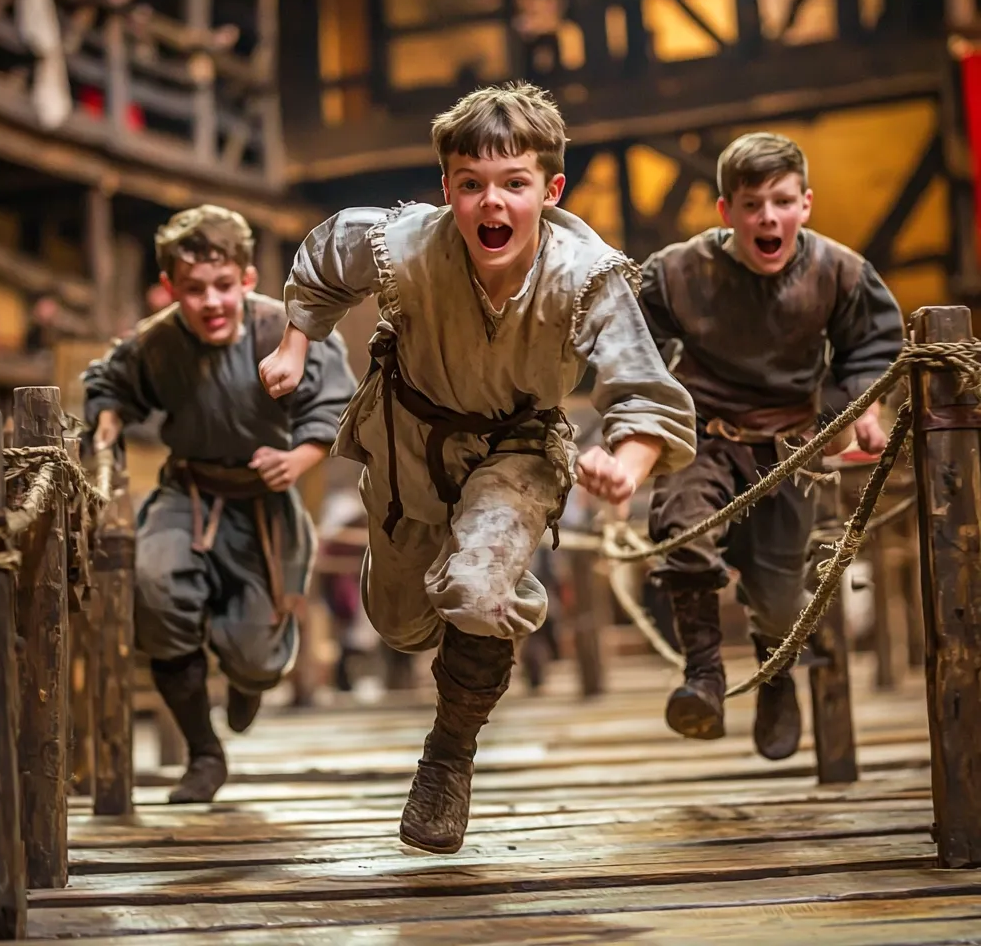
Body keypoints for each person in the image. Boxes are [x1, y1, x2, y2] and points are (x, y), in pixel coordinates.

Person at [258, 82, 696, 854]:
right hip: (407, 443)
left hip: (518, 450)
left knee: (478, 586)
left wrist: (627, 463)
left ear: (550, 189)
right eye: (471, 185)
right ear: (447, 189)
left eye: (514, 184)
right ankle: (434, 622)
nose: (491, 204)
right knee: (399, 625)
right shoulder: (405, 245)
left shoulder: (587, 274)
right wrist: (295, 346)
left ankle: (446, 763)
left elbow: (646, 392)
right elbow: (326, 258)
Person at [638, 131, 904, 760]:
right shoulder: (679, 271)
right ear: (727, 211)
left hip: (789, 449)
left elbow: (871, 344)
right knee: (682, 530)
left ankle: (776, 674)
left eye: (782, 202)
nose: (768, 218)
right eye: (752, 204)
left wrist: (865, 406)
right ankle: (702, 676)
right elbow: (631, 340)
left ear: (804, 205)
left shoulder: (838, 271)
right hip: (704, 434)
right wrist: (639, 421)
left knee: (782, 597)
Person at [82, 204, 357, 804]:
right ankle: (203, 754)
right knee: (154, 589)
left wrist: (298, 461)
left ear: (248, 280)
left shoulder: (283, 332)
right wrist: (106, 421)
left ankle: (247, 678)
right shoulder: (157, 342)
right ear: (170, 288)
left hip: (266, 503)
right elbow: (110, 382)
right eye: (194, 290)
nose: (210, 302)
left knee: (258, 654)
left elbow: (334, 407)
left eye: (223, 287)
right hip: (190, 492)